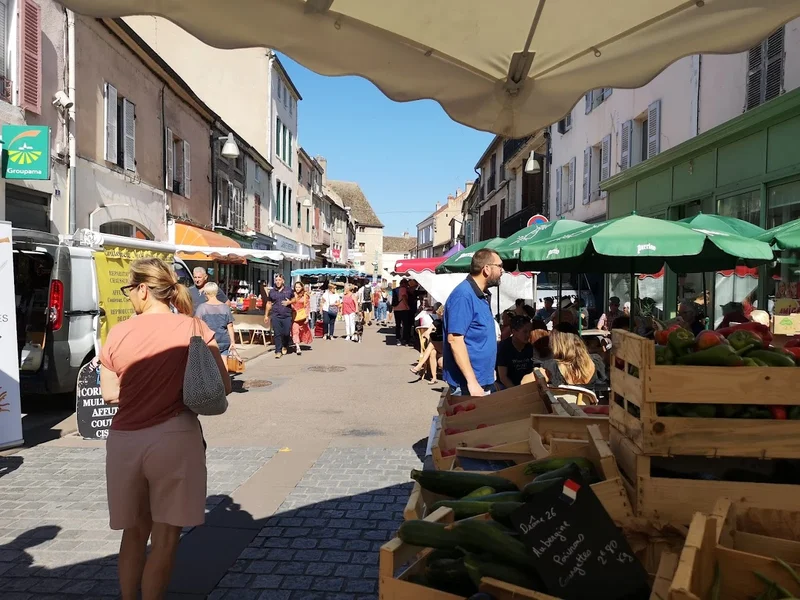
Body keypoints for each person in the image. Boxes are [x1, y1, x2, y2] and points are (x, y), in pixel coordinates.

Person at [99, 257, 231, 600]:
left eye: (130, 289)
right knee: (166, 537)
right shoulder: (193, 328)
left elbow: (110, 393)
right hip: (176, 436)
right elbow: (222, 385)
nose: (129, 296)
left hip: (125, 440)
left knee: (133, 532)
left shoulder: (118, 332)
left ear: (143, 289)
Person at [442, 248, 503, 397]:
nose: (502, 271)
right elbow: (455, 340)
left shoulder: (481, 294)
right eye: (500, 266)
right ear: (486, 269)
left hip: (482, 379)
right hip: (467, 386)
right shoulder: (463, 295)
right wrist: (472, 381)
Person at [536, 330, 607, 387]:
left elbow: (526, 387)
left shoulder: (550, 368)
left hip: (561, 404)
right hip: (588, 404)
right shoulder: (595, 361)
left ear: (557, 345)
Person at [194, 282, 238, 358]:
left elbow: (197, 326)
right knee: (223, 365)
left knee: (209, 366)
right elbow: (230, 326)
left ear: (206, 293)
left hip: (208, 341)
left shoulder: (202, 308)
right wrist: (232, 342)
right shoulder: (225, 307)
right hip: (224, 340)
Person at [496, 316, 534, 389]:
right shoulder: (504, 347)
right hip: (505, 387)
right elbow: (503, 377)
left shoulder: (529, 347)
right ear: (514, 332)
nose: (528, 335)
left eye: (530, 331)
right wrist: (517, 391)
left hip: (524, 386)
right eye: (525, 332)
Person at [264, 273, 294, 359]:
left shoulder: (289, 290)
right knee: (277, 333)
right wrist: (266, 315)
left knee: (286, 332)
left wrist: (289, 302)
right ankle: (278, 351)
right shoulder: (272, 291)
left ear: (283, 281)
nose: (277, 282)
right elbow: (269, 303)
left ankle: (285, 345)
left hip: (287, 315)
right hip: (276, 315)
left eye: (279, 280)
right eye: (276, 280)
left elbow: (294, 299)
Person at [289, 281, 313, 355]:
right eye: (296, 287)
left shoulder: (305, 295)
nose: (297, 289)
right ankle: (297, 347)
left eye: (299, 287)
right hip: (294, 316)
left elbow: (307, 307)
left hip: (302, 316)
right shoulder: (292, 295)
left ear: (302, 287)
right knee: (295, 331)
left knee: (303, 331)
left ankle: (298, 342)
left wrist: (307, 317)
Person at [393, 279, 412, 346]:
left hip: (396, 309)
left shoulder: (395, 290)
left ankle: (398, 339)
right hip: (403, 309)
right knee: (405, 325)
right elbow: (403, 297)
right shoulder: (403, 289)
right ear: (404, 283)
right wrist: (407, 306)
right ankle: (405, 339)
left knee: (398, 325)